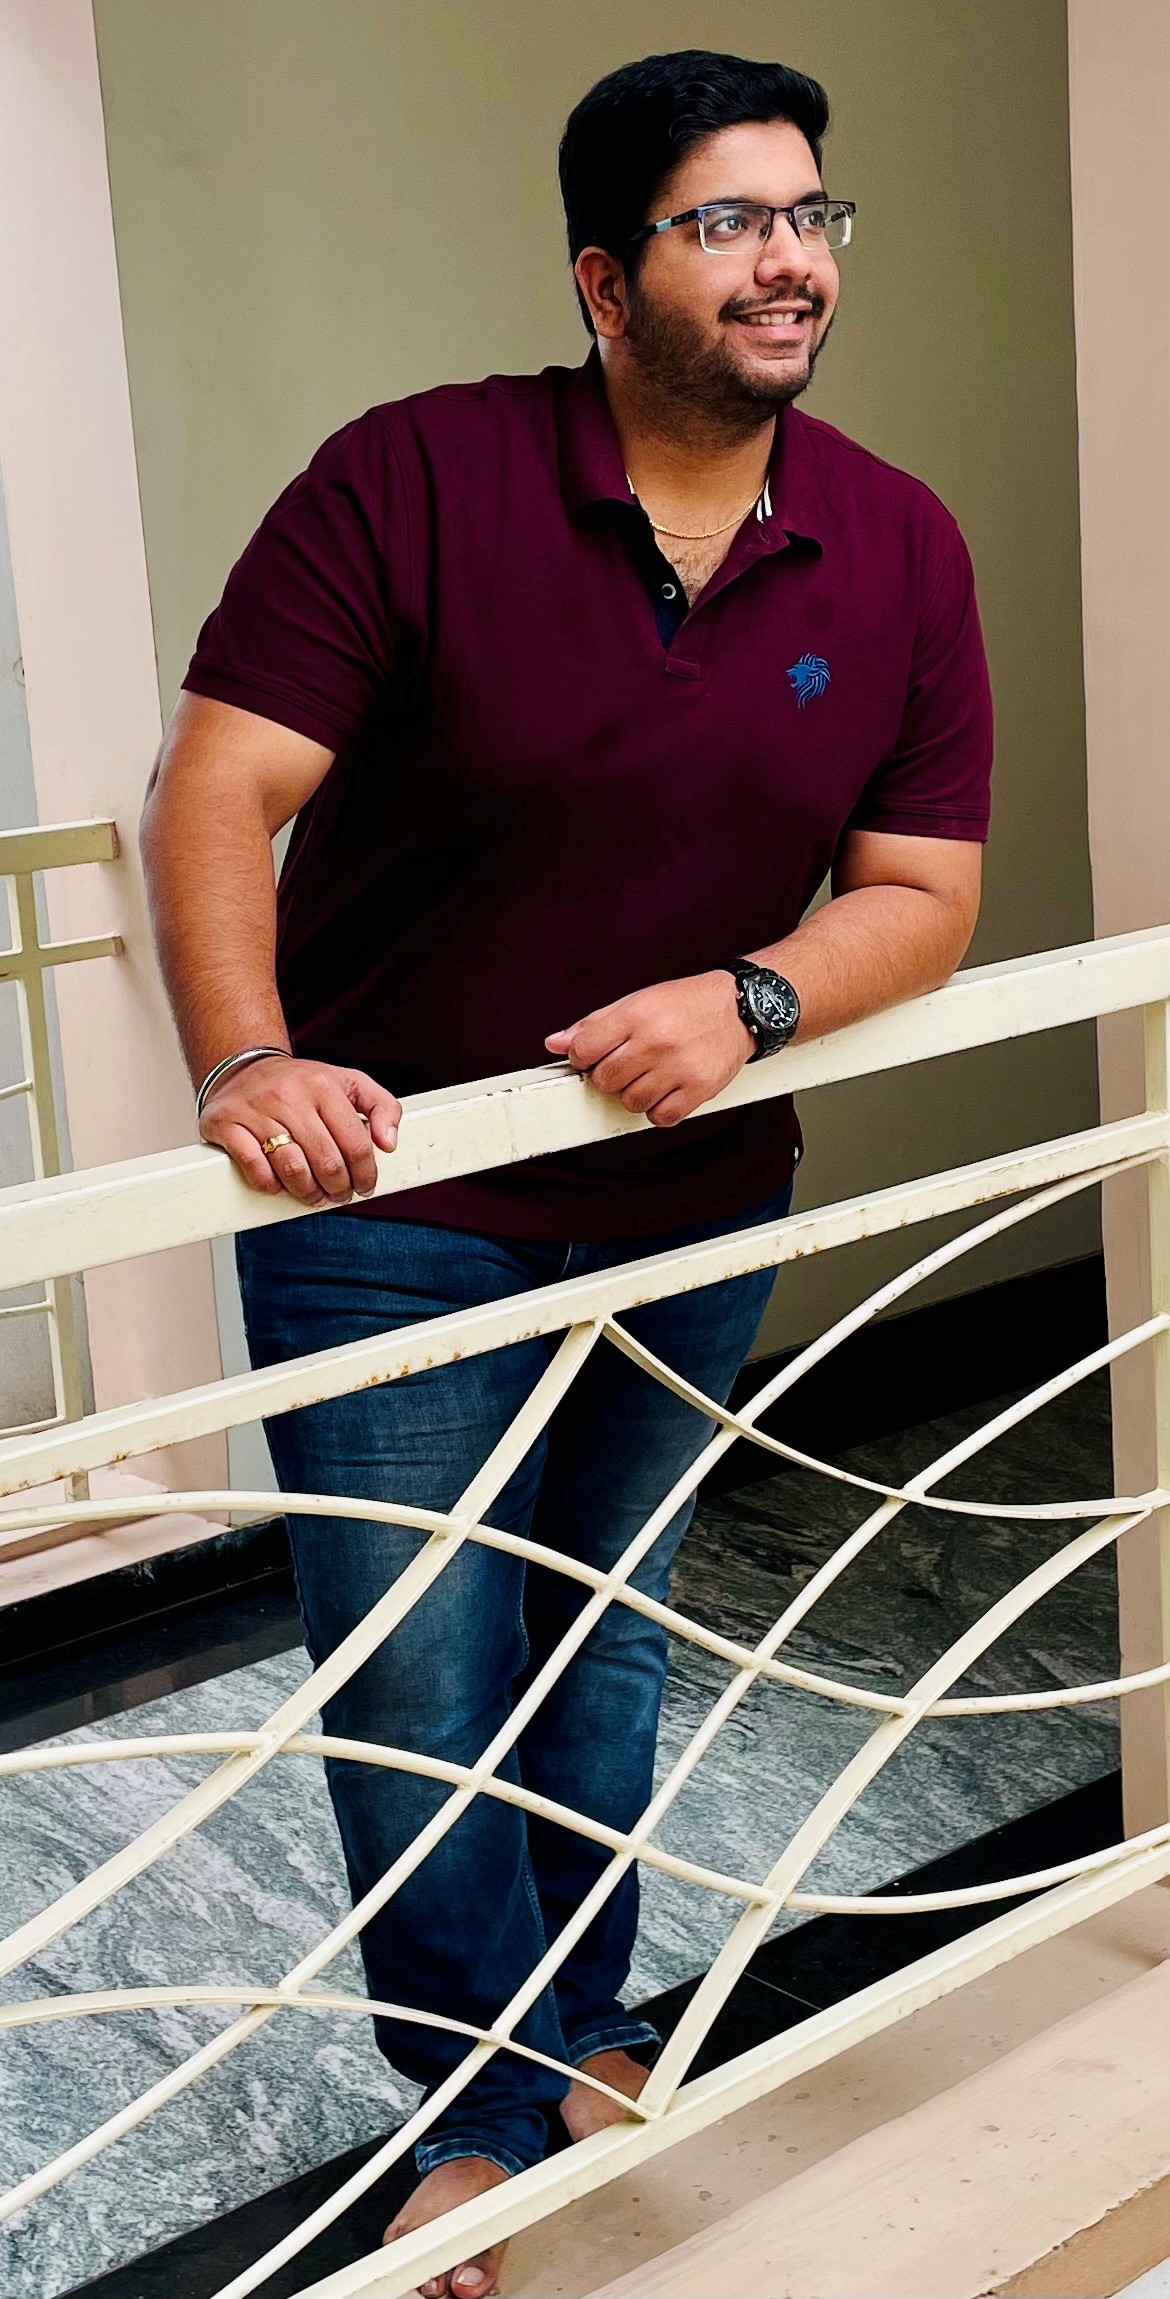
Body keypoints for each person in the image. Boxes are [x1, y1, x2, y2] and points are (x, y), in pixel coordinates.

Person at [140, 47, 991, 2298]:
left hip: (692, 1203)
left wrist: (757, 998)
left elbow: (921, 890)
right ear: (606, 281)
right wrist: (248, 1054)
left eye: (810, 214)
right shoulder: (411, 478)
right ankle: (471, 2122)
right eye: (728, 222)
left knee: (600, 1649)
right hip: (388, 1213)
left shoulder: (894, 538)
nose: (789, 259)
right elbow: (220, 788)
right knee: (420, 1678)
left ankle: (576, 2036)